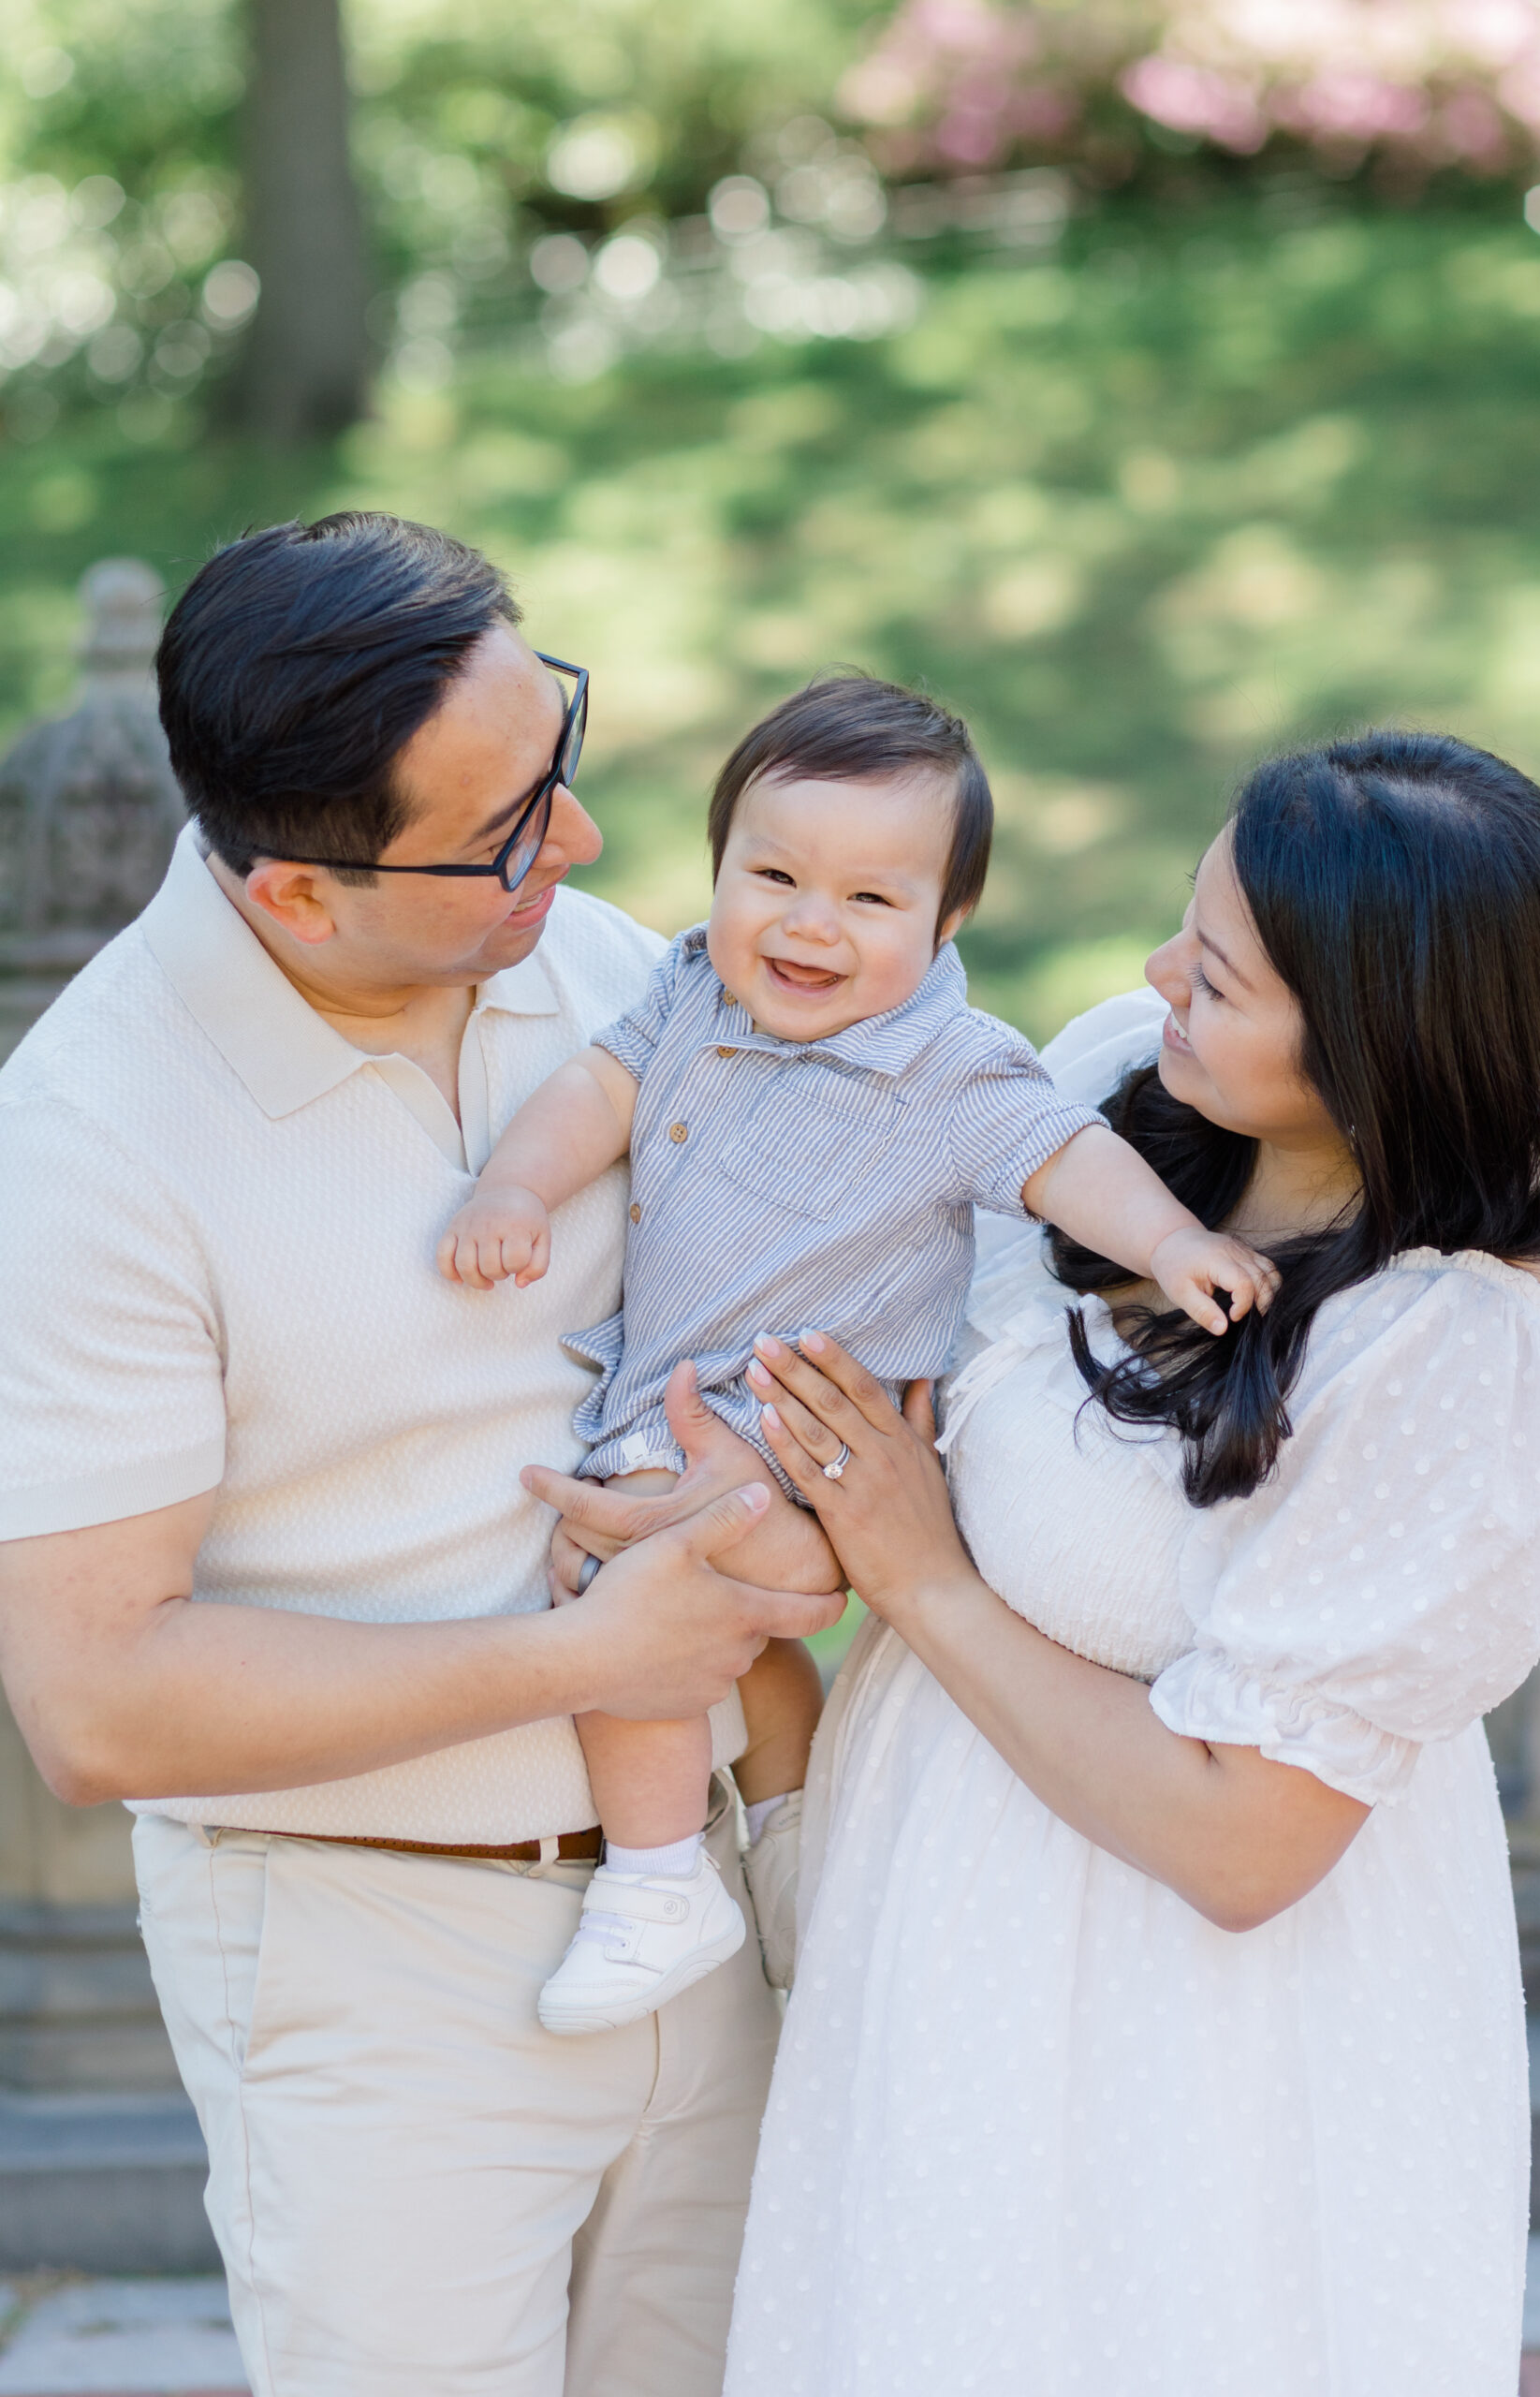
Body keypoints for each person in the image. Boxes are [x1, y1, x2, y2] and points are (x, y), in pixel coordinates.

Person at [0, 512, 842, 2397]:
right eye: (503, 834)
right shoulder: (86, 1149)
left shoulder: (613, 966)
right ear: (294, 893)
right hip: (363, 1956)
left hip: (698, 1899)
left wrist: (791, 1513)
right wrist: (583, 1660)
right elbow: (99, 1698)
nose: (585, 843)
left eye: (557, 752)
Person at [721, 730, 1540, 2397]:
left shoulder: (1450, 1355)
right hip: (937, 1955)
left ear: (1374, 1047)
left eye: (1215, 972)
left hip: (1192, 2050)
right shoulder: (1126, 1087)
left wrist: (920, 1581)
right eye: (1183, 929)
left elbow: (1244, 1841)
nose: (1153, 976)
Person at [440, 675, 1277, 2037]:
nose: (808, 925)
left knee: (628, 1590)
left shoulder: (948, 1066)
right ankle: (786, 1837)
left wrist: (1175, 1243)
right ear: (717, 870)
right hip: (674, 1413)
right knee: (719, 1639)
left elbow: (1067, 1161)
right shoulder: (689, 991)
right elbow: (596, 1091)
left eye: (870, 902)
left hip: (810, 1444)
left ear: (946, 923)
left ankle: (655, 1881)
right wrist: (515, 1192)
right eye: (772, 875)